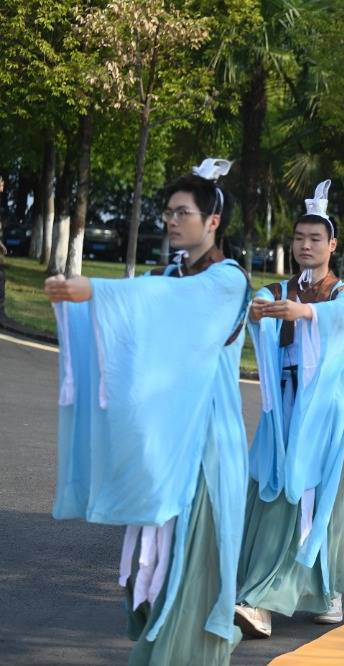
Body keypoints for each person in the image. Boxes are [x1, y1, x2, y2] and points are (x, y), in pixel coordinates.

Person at [45, 158, 252, 665]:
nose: (172, 220)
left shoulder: (227, 281)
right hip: (165, 437)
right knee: (156, 570)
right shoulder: (167, 275)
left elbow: (168, 303)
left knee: (195, 564)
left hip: (206, 441)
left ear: (213, 222)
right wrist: (88, 308)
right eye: (169, 212)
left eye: (183, 211)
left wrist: (97, 291)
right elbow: (140, 325)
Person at [234, 180, 344, 638]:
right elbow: (260, 308)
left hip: (326, 415)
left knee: (324, 502)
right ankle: (259, 600)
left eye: (315, 239)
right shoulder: (277, 290)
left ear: (332, 244)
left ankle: (326, 589)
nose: (305, 246)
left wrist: (307, 314)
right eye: (298, 238)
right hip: (283, 413)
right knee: (274, 494)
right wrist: (256, 313)